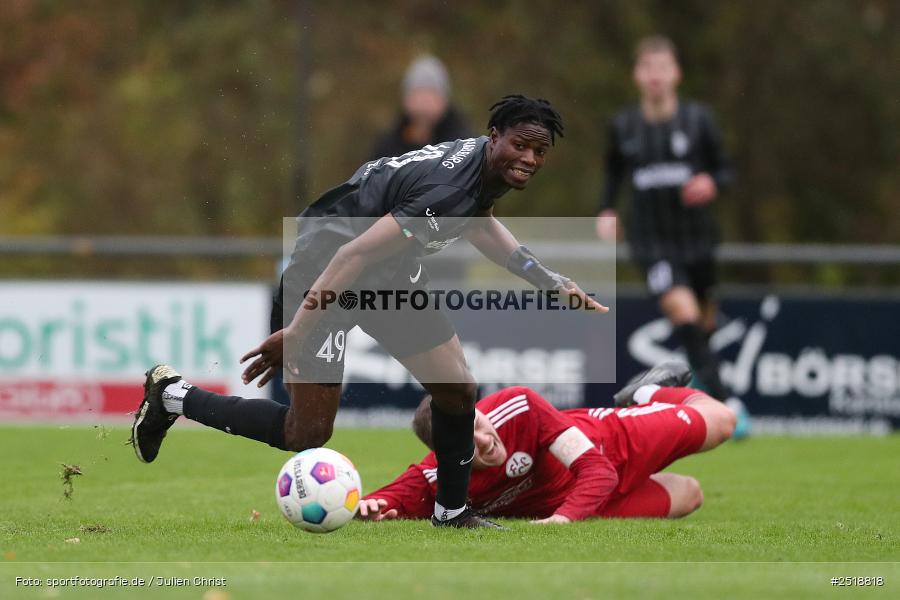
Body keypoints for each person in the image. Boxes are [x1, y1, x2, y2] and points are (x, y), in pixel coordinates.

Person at [130, 95, 607, 529]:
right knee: (307, 432)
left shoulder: (479, 173)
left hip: (388, 277)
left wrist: (546, 278)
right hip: (324, 274)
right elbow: (351, 255)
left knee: (458, 389)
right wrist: (297, 331)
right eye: (521, 146)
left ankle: (453, 512)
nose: (529, 159)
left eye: (539, 153)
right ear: (494, 137)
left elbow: (477, 222)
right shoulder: (448, 189)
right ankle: (174, 396)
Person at [594, 35, 749, 437]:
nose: (655, 76)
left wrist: (711, 182)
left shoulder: (699, 121)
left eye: (663, 67)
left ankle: (699, 390)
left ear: (676, 74)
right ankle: (727, 404)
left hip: (698, 239)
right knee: (684, 312)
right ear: (637, 75)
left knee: (702, 324)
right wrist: (606, 210)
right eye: (648, 68)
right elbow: (612, 175)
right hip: (651, 242)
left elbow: (726, 170)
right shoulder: (624, 126)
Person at [357, 363, 736, 523]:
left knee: (722, 422)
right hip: (589, 500)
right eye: (467, 442)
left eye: (480, 424)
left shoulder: (518, 405)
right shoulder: (436, 479)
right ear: (445, 454)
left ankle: (646, 392)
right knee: (690, 495)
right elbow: (380, 502)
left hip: (612, 444)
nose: (485, 440)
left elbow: (597, 471)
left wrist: (561, 521)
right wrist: (369, 508)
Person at [370, 55, 471, 161]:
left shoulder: (462, 146)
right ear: (406, 99)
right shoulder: (388, 146)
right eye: (418, 92)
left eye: (431, 93)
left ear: (444, 100)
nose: (424, 100)